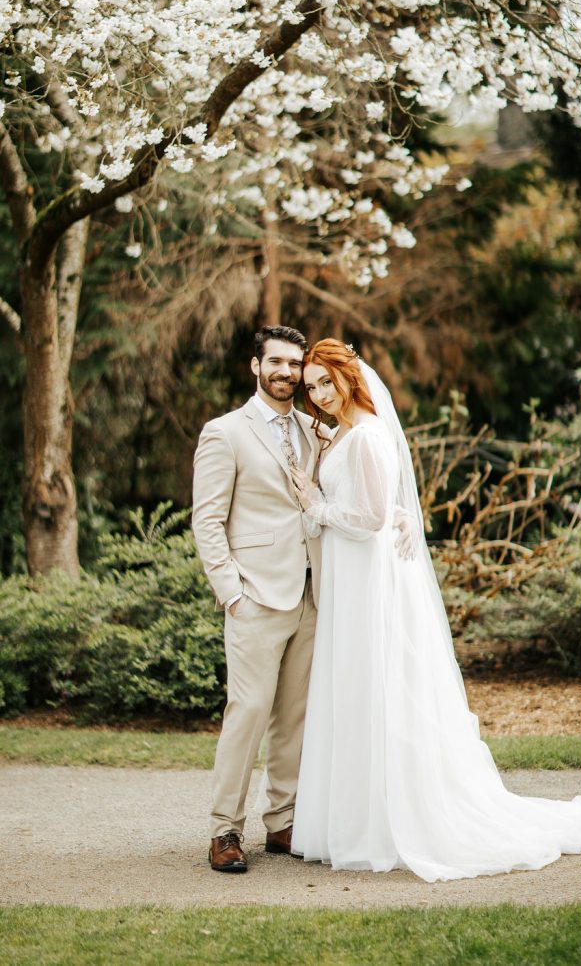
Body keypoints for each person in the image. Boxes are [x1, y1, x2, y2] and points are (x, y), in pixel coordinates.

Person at [289, 339, 581, 882]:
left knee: (374, 686)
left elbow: (371, 517)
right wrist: (388, 512)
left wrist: (317, 506)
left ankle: (379, 822)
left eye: (325, 381)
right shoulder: (347, 437)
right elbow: (387, 508)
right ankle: (354, 817)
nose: (319, 394)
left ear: (348, 376)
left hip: (365, 577)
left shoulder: (367, 437)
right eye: (311, 387)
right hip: (355, 577)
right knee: (357, 686)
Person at [192, 325, 326, 873]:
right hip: (255, 595)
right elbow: (207, 520)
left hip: (312, 594)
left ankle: (282, 821)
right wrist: (231, 593)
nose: (286, 373)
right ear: (255, 366)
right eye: (276, 362)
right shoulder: (225, 433)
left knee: (293, 717)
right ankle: (225, 828)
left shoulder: (317, 430)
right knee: (246, 712)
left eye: (295, 364)